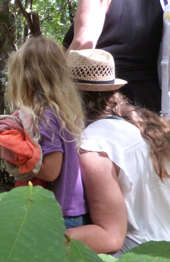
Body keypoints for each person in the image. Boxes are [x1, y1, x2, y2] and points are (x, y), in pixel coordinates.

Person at [65, 49, 170, 256]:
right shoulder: (146, 128)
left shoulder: (93, 147)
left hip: (142, 253)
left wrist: (38, 236)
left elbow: (110, 237)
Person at [5, 37, 88, 229]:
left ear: (25, 76)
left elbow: (51, 171)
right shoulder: (64, 111)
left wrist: (12, 152)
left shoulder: (46, 116)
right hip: (70, 210)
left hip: (57, 214)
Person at [62, 0, 164, 113]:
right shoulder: (163, 4)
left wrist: (56, 85)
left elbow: (83, 44)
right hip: (149, 102)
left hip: (105, 100)